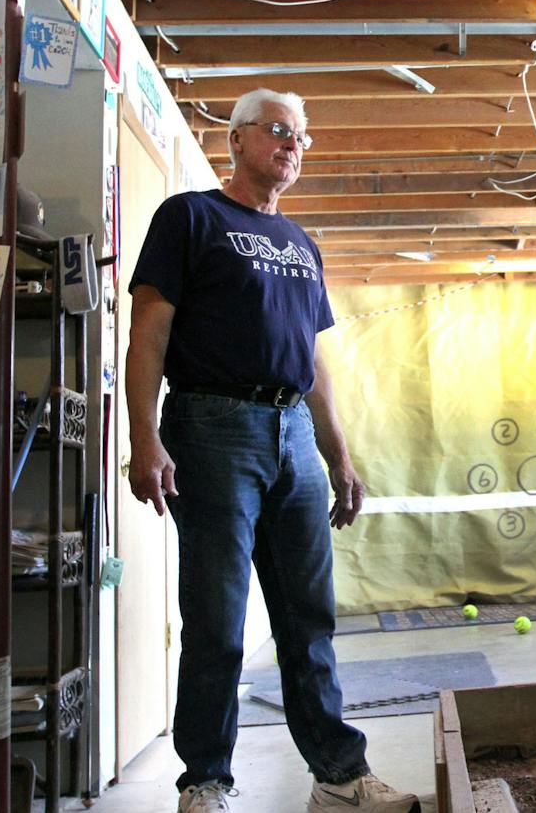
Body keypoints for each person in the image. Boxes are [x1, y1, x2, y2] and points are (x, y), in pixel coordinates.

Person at [126, 89, 420, 813]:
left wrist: (339, 457)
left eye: (302, 138)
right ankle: (205, 783)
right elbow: (148, 335)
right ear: (237, 139)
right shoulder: (191, 217)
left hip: (291, 435)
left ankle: (341, 776)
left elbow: (312, 362)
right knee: (219, 619)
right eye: (279, 131)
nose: (293, 145)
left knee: (307, 616)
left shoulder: (301, 242)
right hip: (211, 426)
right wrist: (143, 437)